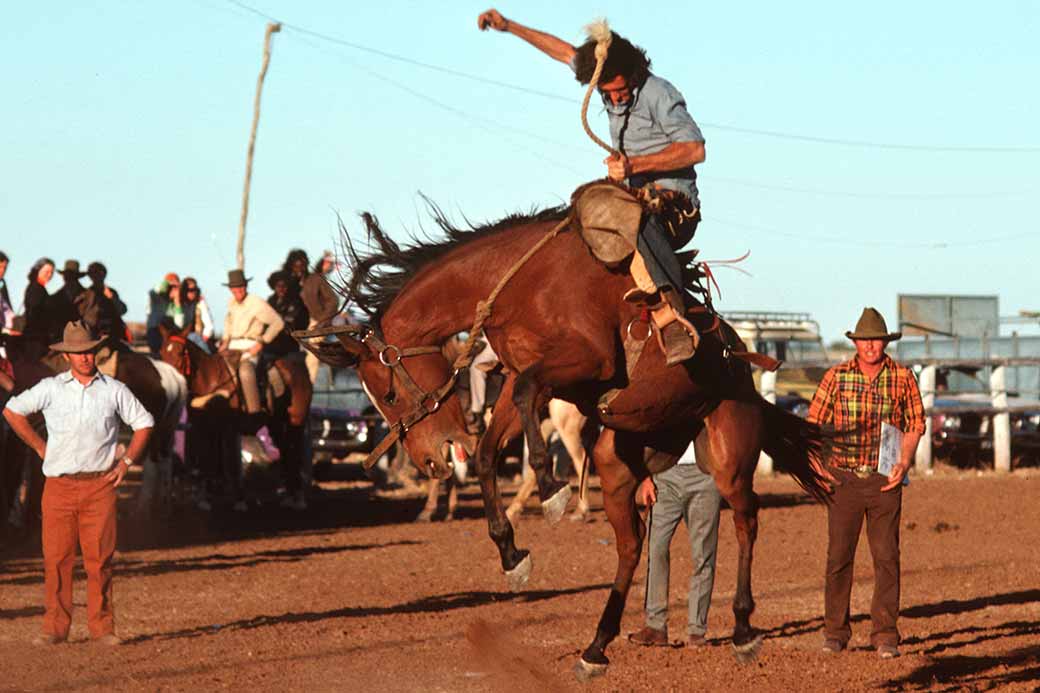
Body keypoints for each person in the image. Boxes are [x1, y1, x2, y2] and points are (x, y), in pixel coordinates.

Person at [478, 9, 706, 366]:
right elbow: (562, 51)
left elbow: (695, 149)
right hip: (630, 198)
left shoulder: (660, 93)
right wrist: (509, 26)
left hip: (673, 204)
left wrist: (635, 166)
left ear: (633, 74)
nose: (614, 99)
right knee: (580, 217)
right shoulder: (602, 77)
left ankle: (670, 314)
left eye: (619, 91)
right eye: (606, 93)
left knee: (630, 216)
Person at [2, 320, 154, 646]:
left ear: (95, 352)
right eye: (77, 352)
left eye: (88, 351)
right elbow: (13, 411)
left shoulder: (113, 389)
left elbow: (144, 423)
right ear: (67, 356)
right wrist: (40, 447)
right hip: (58, 485)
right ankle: (55, 628)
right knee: (56, 558)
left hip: (99, 485)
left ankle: (102, 628)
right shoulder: (52, 388)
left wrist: (126, 463)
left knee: (100, 559)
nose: (84, 357)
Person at [808, 307, 925, 659]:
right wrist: (820, 467)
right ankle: (835, 632)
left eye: (876, 340)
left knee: (886, 557)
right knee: (838, 557)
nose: (870, 346)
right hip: (844, 478)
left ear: (885, 343)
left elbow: (915, 423)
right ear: (856, 343)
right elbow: (813, 424)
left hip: (884, 480)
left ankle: (885, 633)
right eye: (864, 340)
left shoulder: (902, 377)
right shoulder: (837, 377)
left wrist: (903, 462)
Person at [628, 442, 721, 647]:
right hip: (664, 476)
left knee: (704, 555)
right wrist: (645, 477)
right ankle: (655, 626)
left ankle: (697, 630)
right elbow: (646, 427)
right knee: (656, 548)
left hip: (705, 475)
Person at [218, 269, 284, 425]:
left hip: (250, 346)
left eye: (241, 286)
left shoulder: (257, 303)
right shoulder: (231, 304)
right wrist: (224, 342)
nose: (238, 290)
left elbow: (278, 323)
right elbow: (228, 326)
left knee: (246, 371)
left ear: (246, 286)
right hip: (231, 347)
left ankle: (254, 415)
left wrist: (261, 342)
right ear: (230, 289)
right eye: (235, 287)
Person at [300, 251, 339, 382]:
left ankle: (310, 383)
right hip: (311, 322)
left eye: (331, 263)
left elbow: (333, 301)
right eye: (327, 262)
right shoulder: (313, 279)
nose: (330, 265)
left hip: (320, 321)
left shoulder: (318, 279)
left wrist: (322, 321)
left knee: (313, 349)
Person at [80, 262, 128, 343]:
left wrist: (112, 298)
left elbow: (122, 310)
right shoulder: (87, 293)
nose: (96, 276)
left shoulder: (111, 292)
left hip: (113, 333)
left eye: (98, 273)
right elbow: (83, 314)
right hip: (94, 333)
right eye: (93, 273)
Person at [266, 270, 306, 358]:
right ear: (274, 287)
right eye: (278, 286)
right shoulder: (270, 301)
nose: (281, 289)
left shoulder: (295, 301)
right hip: (272, 339)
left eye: (284, 286)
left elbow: (293, 321)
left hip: (289, 340)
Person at [46, 260, 87, 344]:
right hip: (60, 340)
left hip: (84, 340)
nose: (68, 278)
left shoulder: (88, 296)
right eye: (67, 276)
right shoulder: (54, 298)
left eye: (71, 276)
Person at [22, 258, 55, 356]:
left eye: (51, 272)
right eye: (47, 271)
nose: (49, 275)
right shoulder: (36, 289)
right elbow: (34, 313)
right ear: (38, 270)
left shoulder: (37, 287)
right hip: (36, 338)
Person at [146, 272, 180, 355]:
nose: (173, 289)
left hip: (171, 331)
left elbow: (180, 322)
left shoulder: (177, 301)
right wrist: (169, 282)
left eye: (175, 287)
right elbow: (156, 289)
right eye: (171, 287)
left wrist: (177, 302)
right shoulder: (155, 297)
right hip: (155, 330)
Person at [180, 277, 215, 350]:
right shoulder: (179, 304)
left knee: (194, 337)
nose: (193, 292)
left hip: (198, 339)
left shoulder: (200, 302)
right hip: (181, 339)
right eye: (190, 290)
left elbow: (209, 326)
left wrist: (203, 340)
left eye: (195, 290)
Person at [0, 251, 14, 334]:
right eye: (0, 267)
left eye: (5, 268)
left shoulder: (2, 284)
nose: (2, 270)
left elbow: (8, 309)